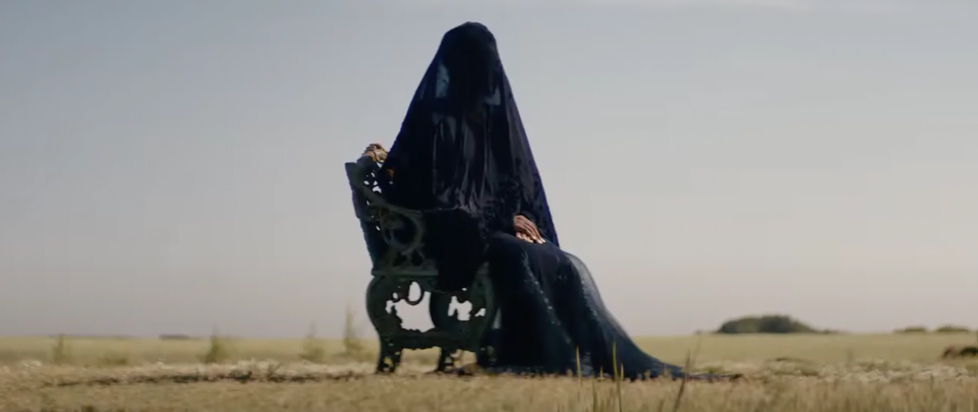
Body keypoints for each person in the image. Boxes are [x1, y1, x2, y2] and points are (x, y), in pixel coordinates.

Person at [364, 22, 718, 381]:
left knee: (561, 260)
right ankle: (542, 357)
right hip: (449, 233)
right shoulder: (432, 117)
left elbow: (516, 182)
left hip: (492, 228)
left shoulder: (494, 120)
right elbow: (415, 185)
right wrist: (493, 218)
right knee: (515, 254)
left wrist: (514, 215)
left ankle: (591, 355)